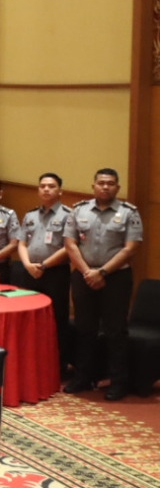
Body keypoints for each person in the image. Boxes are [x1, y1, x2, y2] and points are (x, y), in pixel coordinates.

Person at [63, 169, 144, 400]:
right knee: (84, 328)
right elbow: (70, 243)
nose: (105, 187)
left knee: (115, 331)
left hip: (116, 278)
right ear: (93, 186)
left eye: (110, 183)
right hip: (83, 275)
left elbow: (131, 248)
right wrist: (88, 272)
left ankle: (118, 382)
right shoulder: (79, 210)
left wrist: (103, 272)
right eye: (101, 183)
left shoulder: (129, 212)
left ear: (117, 187)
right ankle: (83, 377)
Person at [14, 173, 74, 377]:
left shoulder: (68, 215)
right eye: (42, 186)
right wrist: (27, 265)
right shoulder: (30, 215)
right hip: (30, 271)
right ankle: (30, 362)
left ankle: (57, 366)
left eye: (51, 186)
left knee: (56, 319)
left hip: (55, 273)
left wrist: (44, 265)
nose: (46, 189)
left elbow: (69, 246)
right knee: (28, 318)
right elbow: (22, 243)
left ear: (60, 191)